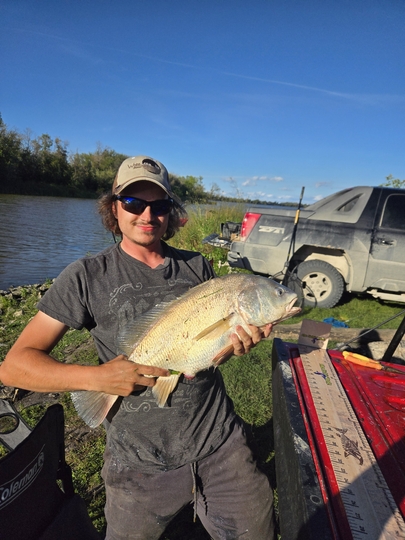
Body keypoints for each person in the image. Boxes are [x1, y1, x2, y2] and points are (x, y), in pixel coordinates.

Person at [0, 155, 275, 540]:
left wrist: (233, 346)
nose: (147, 214)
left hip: (221, 443)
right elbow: (14, 366)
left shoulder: (197, 266)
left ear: (171, 212)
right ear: (113, 207)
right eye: (133, 203)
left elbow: (207, 353)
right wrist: (96, 378)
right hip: (137, 464)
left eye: (160, 205)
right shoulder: (85, 275)